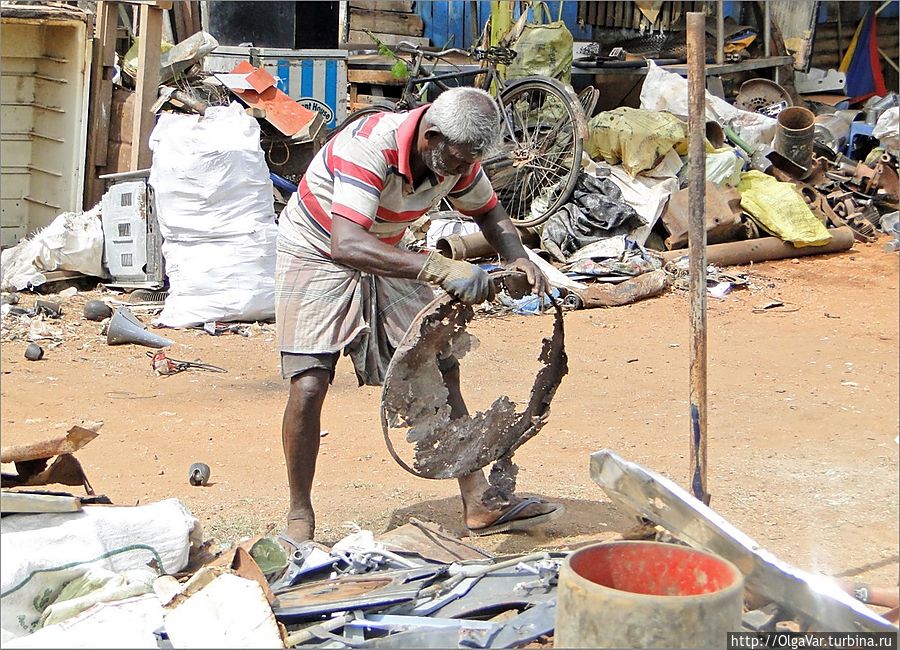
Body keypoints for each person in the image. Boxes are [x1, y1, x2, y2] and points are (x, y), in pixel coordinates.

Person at [275, 86, 562, 543]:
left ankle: (479, 501)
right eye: (458, 161)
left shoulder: (457, 155)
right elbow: (345, 244)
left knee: (440, 364)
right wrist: (439, 267)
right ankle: (299, 517)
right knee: (309, 383)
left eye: (470, 163)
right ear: (430, 138)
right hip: (317, 247)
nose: (463, 172)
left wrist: (518, 258)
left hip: (384, 247)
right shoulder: (369, 147)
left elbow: (490, 213)